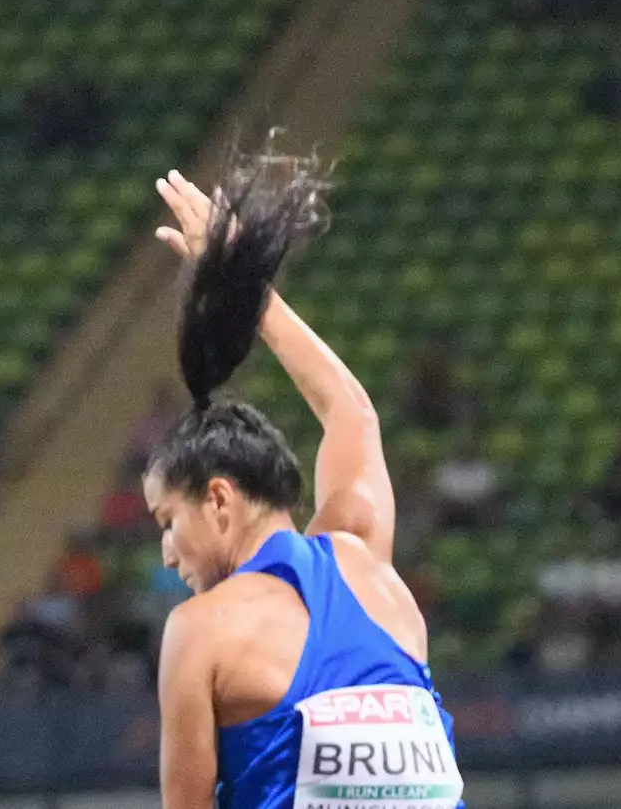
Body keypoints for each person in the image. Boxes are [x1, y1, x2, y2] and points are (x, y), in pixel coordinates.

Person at [146, 161, 464, 809]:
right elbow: (351, 412)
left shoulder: (201, 630)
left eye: (167, 521)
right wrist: (250, 291)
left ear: (218, 497)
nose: (167, 553)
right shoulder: (367, 560)